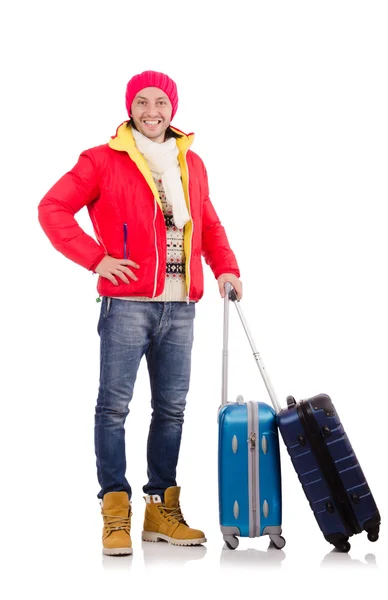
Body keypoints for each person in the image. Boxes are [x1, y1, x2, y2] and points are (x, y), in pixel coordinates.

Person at [38, 70, 242, 556]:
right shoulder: (101, 160)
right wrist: (97, 258)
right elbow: (52, 208)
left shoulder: (191, 162)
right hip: (126, 304)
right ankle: (114, 511)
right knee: (114, 409)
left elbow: (208, 223)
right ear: (130, 107)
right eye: (143, 102)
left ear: (173, 108)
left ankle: (160, 509)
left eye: (161, 103)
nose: (152, 112)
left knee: (171, 411)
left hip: (180, 307)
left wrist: (226, 269)